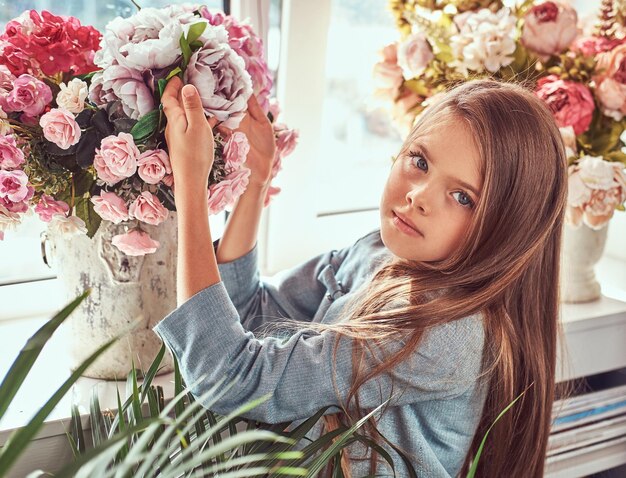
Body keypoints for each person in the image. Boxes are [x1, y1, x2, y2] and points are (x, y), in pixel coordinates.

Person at [154, 76, 567, 477]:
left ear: (507, 230)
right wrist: (254, 184)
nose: (418, 197)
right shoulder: (379, 251)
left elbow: (229, 377)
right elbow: (253, 316)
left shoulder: (444, 330)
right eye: (419, 161)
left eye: (463, 197)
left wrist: (192, 184)